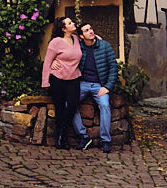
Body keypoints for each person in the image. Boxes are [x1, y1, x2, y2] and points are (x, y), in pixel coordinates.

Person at [73, 23, 118, 153]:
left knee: (104, 105)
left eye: (91, 29)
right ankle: (83, 136)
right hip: (83, 84)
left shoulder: (104, 46)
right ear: (81, 36)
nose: (91, 31)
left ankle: (105, 141)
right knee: (69, 104)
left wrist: (107, 87)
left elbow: (113, 67)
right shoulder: (78, 47)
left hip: (100, 85)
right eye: (86, 31)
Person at [41, 16, 82, 150]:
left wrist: (97, 38)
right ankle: (60, 138)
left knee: (73, 104)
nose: (73, 23)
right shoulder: (56, 42)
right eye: (70, 23)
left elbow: (87, 39)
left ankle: (61, 132)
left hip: (74, 78)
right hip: (57, 79)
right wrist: (45, 82)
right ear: (64, 29)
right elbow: (47, 62)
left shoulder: (76, 39)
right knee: (59, 108)